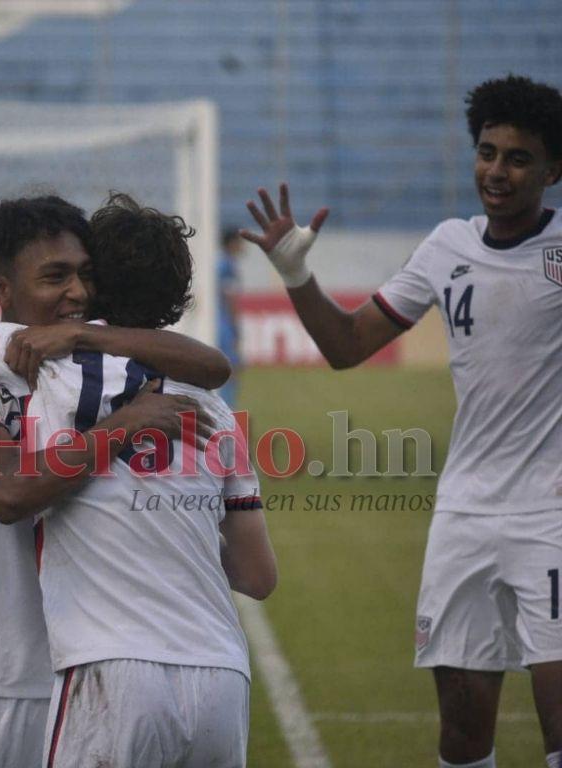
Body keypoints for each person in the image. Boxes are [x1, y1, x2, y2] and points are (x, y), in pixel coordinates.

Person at [240, 75, 562, 768]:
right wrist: (296, 274)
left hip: (554, 516)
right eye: (486, 152)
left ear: (553, 169)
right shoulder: (447, 246)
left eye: (517, 158)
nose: (496, 171)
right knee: (462, 733)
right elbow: (345, 346)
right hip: (465, 514)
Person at [0, 192, 275, 767]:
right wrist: (125, 428)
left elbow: (211, 366)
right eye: (55, 277)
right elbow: (6, 492)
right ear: (1, 291)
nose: (76, 293)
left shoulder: (88, 365)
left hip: (87, 665)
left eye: (85, 275)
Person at [217, 227, 245, 405]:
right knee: (230, 371)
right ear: (232, 243)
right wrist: (236, 330)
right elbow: (230, 300)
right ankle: (226, 417)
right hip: (223, 325)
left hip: (214, 323)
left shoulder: (216, 263)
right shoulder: (227, 266)